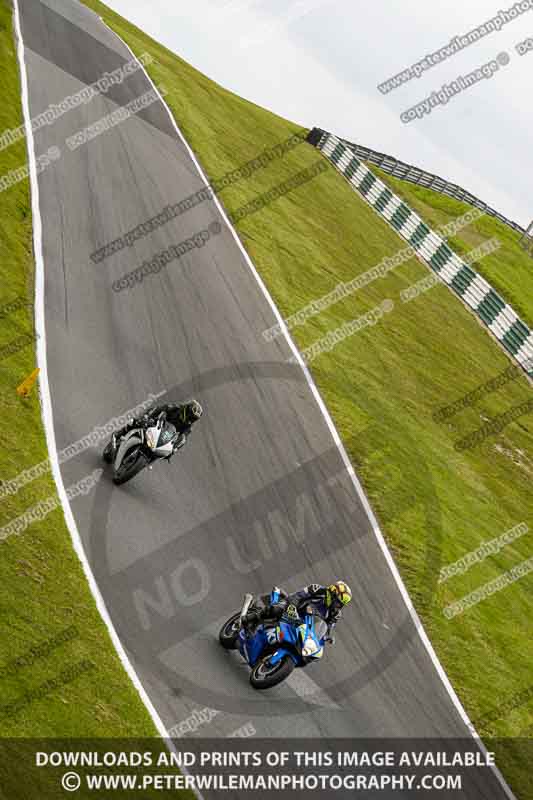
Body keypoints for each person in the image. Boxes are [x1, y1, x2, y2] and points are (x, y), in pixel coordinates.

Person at [246, 581, 352, 644]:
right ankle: (250, 619)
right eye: (337, 602)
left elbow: (327, 628)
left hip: (302, 626)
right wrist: (291, 606)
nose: (337, 606)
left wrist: (325, 638)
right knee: (276, 610)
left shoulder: (335, 614)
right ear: (332, 594)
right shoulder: (317, 589)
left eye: (340, 604)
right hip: (292, 608)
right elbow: (298, 596)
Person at [103, 399, 203, 462]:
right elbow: (157, 409)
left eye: (193, 418)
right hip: (154, 423)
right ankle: (118, 434)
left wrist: (174, 450)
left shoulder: (188, 427)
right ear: (186, 410)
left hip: (163, 436)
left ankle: (143, 460)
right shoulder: (174, 408)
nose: (191, 419)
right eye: (191, 416)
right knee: (134, 422)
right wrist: (147, 417)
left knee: (161, 453)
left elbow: (182, 440)